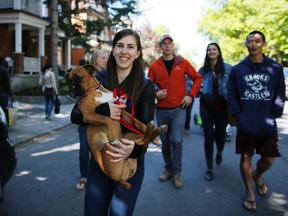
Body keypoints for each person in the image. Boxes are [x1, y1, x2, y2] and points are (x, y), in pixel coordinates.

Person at [81, 29, 155, 215]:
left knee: (118, 213)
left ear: (137, 53)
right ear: (113, 49)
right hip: (100, 159)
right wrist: (103, 109)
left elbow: (146, 128)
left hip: (130, 161)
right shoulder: (99, 79)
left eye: (131, 47)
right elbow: (76, 114)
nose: (124, 51)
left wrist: (135, 149)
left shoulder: (146, 85)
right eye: (120, 46)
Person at [227, 31, 285, 212]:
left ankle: (258, 174)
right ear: (246, 44)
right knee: (245, 157)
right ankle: (250, 192)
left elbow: (280, 93)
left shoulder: (275, 68)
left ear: (263, 44)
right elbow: (231, 94)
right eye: (250, 41)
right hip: (246, 123)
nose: (253, 44)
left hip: (267, 123)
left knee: (269, 159)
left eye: (257, 41)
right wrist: (239, 116)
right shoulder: (238, 70)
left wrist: (274, 113)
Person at [148, 34, 202, 189]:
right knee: (165, 141)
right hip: (162, 110)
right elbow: (148, 86)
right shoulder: (154, 66)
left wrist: (190, 95)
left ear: (173, 46)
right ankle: (168, 168)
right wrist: (155, 94)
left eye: (169, 43)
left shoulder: (182, 62)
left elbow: (197, 78)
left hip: (179, 109)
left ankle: (177, 171)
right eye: (163, 43)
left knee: (176, 140)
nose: (167, 46)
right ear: (160, 47)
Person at [198, 42, 232, 181]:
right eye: (209, 50)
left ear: (218, 52)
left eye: (214, 49)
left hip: (222, 109)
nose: (211, 51)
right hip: (206, 107)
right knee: (208, 137)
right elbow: (195, 85)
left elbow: (233, 86)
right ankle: (209, 167)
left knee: (220, 135)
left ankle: (219, 151)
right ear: (207, 53)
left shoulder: (227, 68)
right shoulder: (202, 70)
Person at [76, 51, 108, 191]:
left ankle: (102, 176)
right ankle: (84, 177)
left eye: (107, 57)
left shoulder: (109, 76)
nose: (106, 59)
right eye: (103, 57)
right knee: (84, 147)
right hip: (86, 120)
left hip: (102, 121)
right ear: (95, 60)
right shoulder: (86, 76)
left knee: (102, 149)